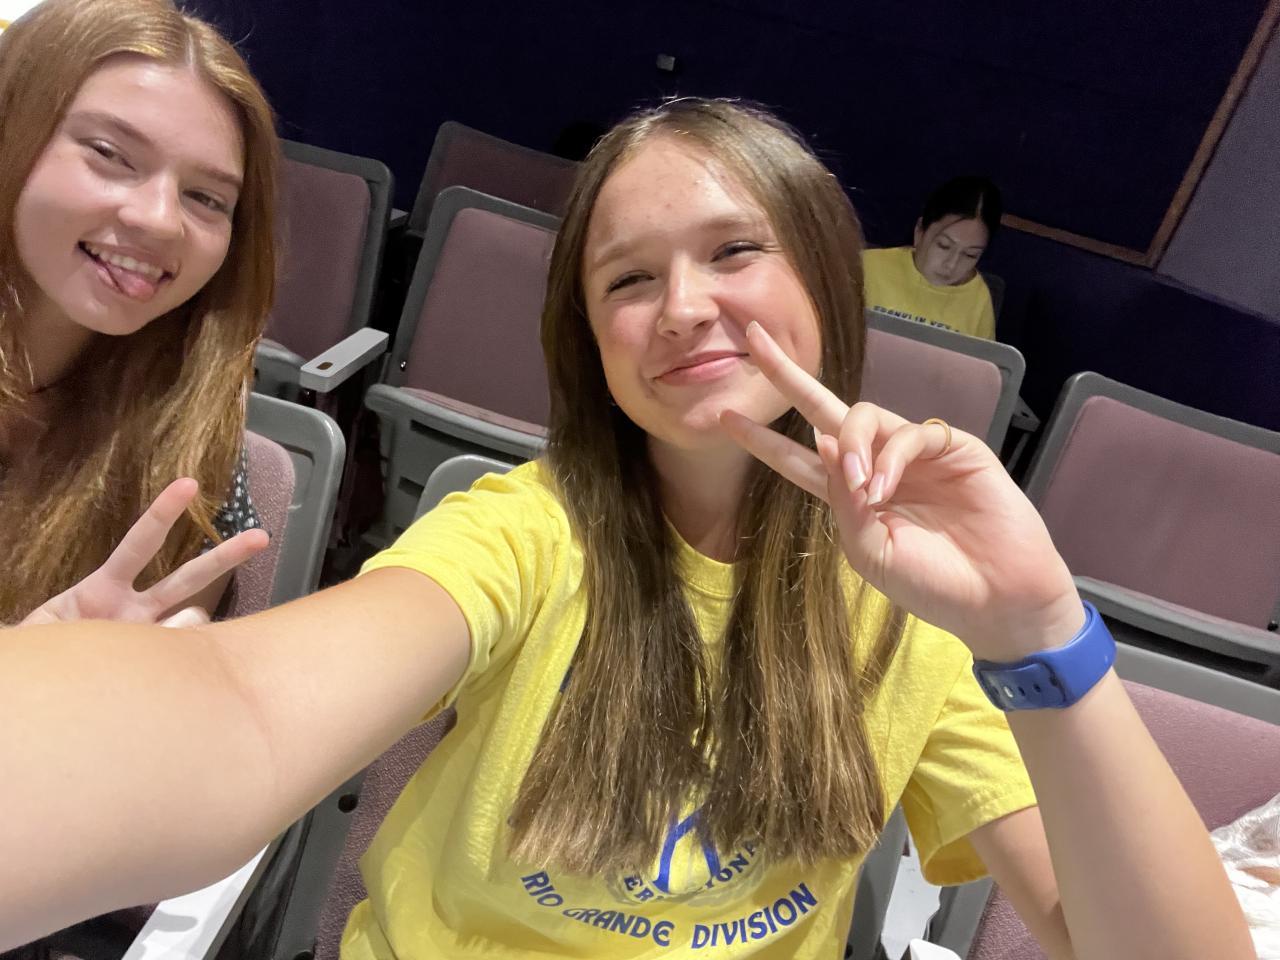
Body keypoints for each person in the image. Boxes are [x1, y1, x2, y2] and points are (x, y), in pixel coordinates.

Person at [0, 100, 1252, 960]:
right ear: (590, 342)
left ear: (825, 284)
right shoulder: (522, 535)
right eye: (629, 279)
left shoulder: (909, 598)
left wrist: (1038, 630)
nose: (684, 307)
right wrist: (77, 705)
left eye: (733, 251)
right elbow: (251, 720)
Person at [0, 0, 277, 627]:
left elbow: (149, 661)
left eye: (206, 197)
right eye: (110, 153)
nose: (159, 219)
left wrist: (117, 671)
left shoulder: (190, 437)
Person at [862, 176, 1001, 339]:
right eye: (943, 246)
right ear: (920, 231)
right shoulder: (868, 267)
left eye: (970, 255)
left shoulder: (978, 298)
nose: (951, 265)